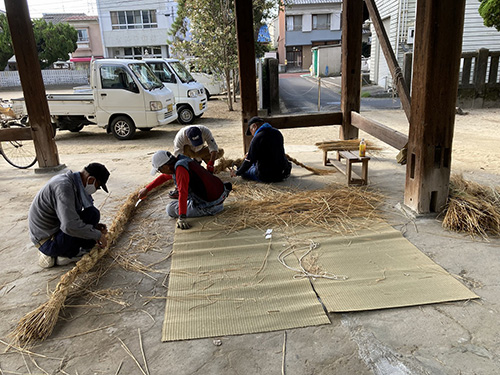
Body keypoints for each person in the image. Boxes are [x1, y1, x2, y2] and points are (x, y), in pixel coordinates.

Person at [28, 163, 110, 268]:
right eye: (97, 187)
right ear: (91, 180)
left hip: (55, 231)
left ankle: (67, 250)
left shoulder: (71, 182)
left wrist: (93, 228)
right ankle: (64, 254)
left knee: (92, 214)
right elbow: (69, 226)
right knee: (88, 219)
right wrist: (97, 235)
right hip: (48, 241)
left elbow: (70, 216)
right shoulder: (64, 188)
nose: (95, 191)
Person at [138, 150, 232, 230]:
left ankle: (208, 209)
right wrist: (147, 188)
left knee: (170, 208)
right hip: (221, 193)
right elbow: (165, 177)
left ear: (166, 166)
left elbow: (183, 192)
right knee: (183, 198)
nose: (160, 172)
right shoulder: (181, 161)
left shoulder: (180, 170)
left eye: (159, 170)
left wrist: (182, 217)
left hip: (211, 206)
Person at [233, 116, 292, 182]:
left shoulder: (257, 138)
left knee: (243, 169)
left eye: (251, 131)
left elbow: (249, 161)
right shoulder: (277, 132)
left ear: (254, 126)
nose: (252, 134)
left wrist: (237, 172)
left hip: (265, 176)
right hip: (280, 174)